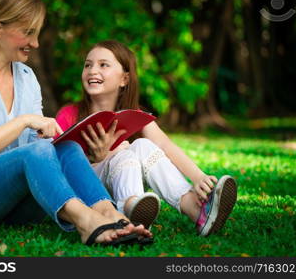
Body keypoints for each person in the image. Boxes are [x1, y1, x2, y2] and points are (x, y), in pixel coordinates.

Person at [0, 0, 152, 246]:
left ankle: (111, 215)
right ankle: (87, 222)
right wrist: (22, 121)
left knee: (64, 147)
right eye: (28, 33)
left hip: (10, 201)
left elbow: (41, 148)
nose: (34, 43)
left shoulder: (25, 77)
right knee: (34, 152)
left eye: (37, 33)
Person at [55, 40, 237, 236]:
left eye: (103, 65)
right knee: (123, 154)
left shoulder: (134, 114)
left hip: (122, 181)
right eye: (88, 65)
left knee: (142, 145)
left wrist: (198, 177)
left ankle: (193, 207)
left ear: (124, 79)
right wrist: (102, 157)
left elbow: (164, 144)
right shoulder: (69, 114)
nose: (92, 70)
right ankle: (128, 210)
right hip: (90, 195)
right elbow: (57, 167)